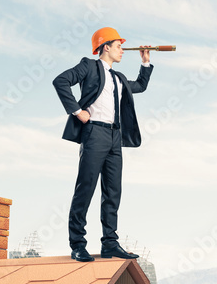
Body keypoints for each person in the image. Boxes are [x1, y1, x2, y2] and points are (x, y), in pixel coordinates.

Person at [52, 27, 153, 262]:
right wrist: (77, 111)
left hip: (115, 138)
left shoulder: (118, 78)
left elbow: (139, 85)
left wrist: (145, 63)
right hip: (94, 133)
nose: (122, 51)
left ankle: (110, 243)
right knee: (85, 188)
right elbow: (61, 81)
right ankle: (78, 244)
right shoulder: (89, 66)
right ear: (105, 47)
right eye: (119, 46)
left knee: (112, 191)